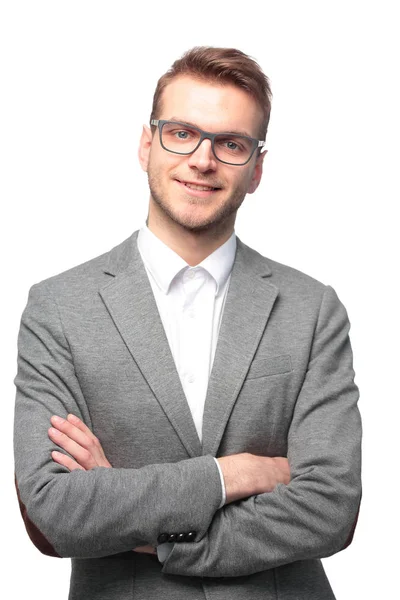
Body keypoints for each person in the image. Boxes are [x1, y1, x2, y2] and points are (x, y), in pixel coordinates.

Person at [13, 46, 362, 600]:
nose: (203, 159)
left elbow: (331, 510)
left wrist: (145, 526)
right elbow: (54, 511)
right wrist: (235, 475)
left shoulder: (313, 309)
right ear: (147, 143)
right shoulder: (57, 307)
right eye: (182, 132)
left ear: (256, 169)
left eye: (230, 144)